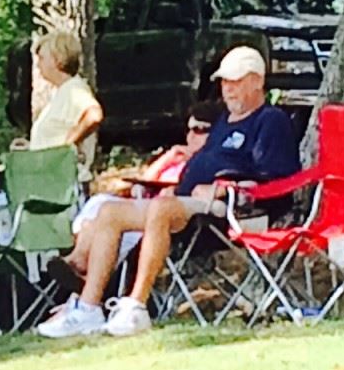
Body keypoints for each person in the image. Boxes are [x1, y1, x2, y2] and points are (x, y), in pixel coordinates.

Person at [36, 45, 301, 338]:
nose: (228, 89)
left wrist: (225, 189)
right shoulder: (224, 122)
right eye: (225, 82)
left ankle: (135, 305)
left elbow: (276, 180)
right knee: (109, 211)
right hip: (188, 204)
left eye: (236, 81)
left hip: (234, 210)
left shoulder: (270, 121)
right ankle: (88, 308)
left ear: (257, 81)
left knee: (162, 208)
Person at [46, 99, 226, 296]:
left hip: (173, 220)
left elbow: (196, 192)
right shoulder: (178, 159)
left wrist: (172, 190)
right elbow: (144, 182)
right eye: (189, 129)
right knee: (96, 210)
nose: (191, 136)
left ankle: (85, 275)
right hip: (147, 207)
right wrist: (168, 157)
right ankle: (80, 265)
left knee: (106, 217)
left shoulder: (207, 163)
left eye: (200, 130)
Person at [21, 30, 103, 184]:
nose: (38, 65)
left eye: (42, 58)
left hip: (63, 181)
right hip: (50, 179)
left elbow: (94, 114)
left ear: (58, 59)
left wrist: (69, 142)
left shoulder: (74, 89)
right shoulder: (60, 93)